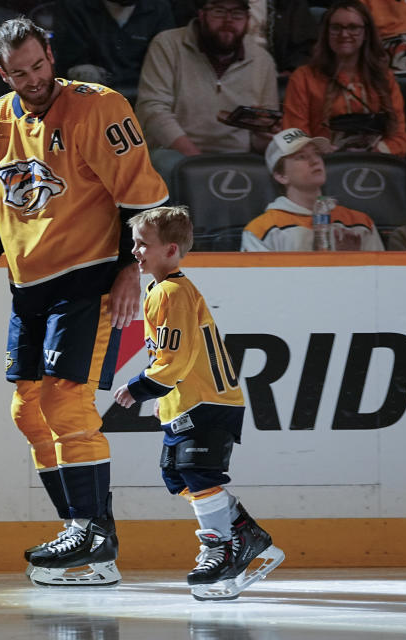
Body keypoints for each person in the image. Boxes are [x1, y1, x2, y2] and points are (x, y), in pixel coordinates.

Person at [0, 17, 169, 587]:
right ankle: (83, 535)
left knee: (65, 401)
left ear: (51, 54)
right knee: (28, 411)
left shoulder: (99, 107)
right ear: (3, 74)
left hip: (91, 275)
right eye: (20, 73)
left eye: (39, 65)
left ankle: (93, 539)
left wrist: (132, 271)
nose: (33, 79)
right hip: (29, 287)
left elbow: (144, 199)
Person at [112, 206, 284, 601]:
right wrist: (165, 395)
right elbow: (168, 354)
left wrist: (141, 388)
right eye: (134, 243)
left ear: (171, 250)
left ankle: (222, 547)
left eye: (143, 245)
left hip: (210, 401)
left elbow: (177, 358)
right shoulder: (158, 290)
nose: (135, 251)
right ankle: (244, 534)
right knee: (179, 475)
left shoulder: (173, 292)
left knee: (198, 472)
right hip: (187, 401)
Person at [135, 0, 280, 181]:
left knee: (276, 168)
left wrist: (265, 136)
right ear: (202, 14)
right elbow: (153, 111)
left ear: (248, 19)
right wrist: (199, 161)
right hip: (176, 153)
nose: (228, 21)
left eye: (237, 14)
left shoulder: (262, 60)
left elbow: (260, 137)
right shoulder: (167, 45)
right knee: (166, 164)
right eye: (219, 11)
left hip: (236, 156)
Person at [282, 0, 406, 156]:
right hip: (323, 165)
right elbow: (292, 136)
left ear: (366, 33)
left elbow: (400, 139)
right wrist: (323, 151)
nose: (344, 34)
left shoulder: (384, 78)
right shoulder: (303, 78)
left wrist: (371, 152)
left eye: (353, 27)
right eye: (336, 28)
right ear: (326, 33)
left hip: (375, 165)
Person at [242, 128, 386, 251]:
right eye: (301, 157)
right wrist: (341, 263)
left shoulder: (359, 223)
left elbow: (382, 280)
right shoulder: (261, 231)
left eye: (316, 153)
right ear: (281, 176)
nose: (315, 160)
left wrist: (357, 264)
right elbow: (262, 283)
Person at [52, 0, 175, 92]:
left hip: (145, 96)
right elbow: (70, 63)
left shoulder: (159, 8)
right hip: (93, 98)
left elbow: (165, 65)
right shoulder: (73, 7)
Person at [170, 0, 319, 74]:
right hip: (207, 70)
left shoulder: (290, 3)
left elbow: (305, 45)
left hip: (271, 75)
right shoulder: (199, 3)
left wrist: (290, 71)